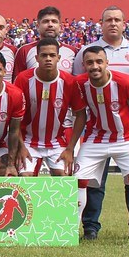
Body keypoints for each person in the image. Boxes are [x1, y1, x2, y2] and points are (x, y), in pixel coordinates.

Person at [73, 6, 129, 240]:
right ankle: (77, 230)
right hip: (95, 137)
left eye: (117, 19)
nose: (95, 66)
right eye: (108, 19)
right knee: (84, 182)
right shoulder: (80, 78)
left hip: (126, 135)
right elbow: (75, 104)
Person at [13, 38, 86, 177]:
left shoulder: (69, 82)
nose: (48, 59)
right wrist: (20, 147)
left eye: (52, 55)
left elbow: (81, 115)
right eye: (44, 55)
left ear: (58, 58)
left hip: (57, 142)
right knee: (25, 178)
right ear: (37, 58)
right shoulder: (23, 79)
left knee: (64, 179)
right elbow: (13, 116)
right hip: (28, 141)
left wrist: (70, 149)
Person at [11, 6, 79, 77]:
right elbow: (18, 83)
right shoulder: (24, 51)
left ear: (60, 27)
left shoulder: (72, 51)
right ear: (37, 26)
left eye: (54, 21)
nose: (50, 25)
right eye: (46, 21)